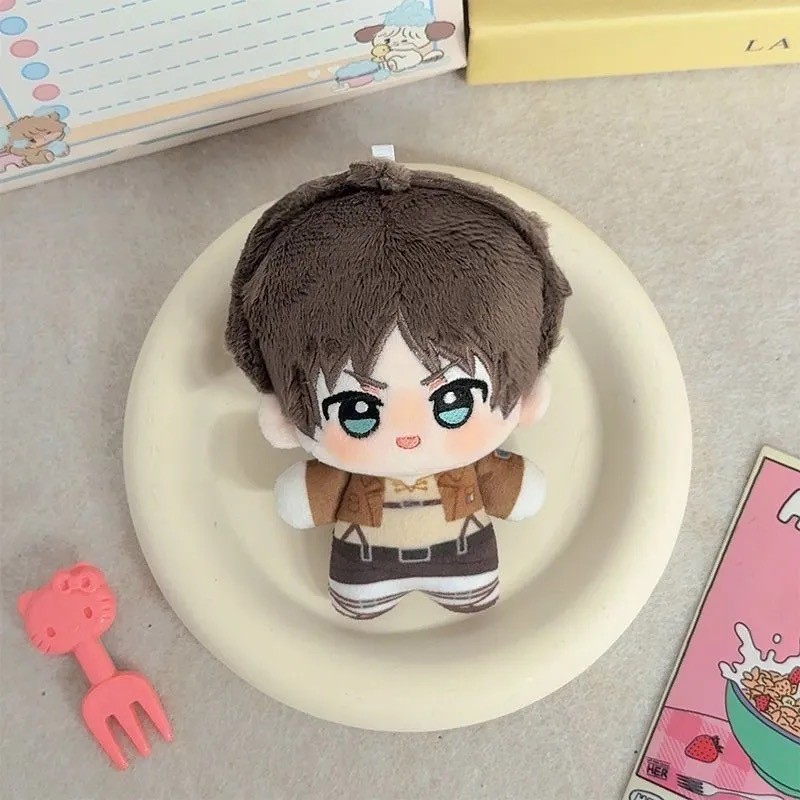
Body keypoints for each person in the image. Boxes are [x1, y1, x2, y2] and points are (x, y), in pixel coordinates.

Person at [226, 160, 571, 619]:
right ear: (283, 419)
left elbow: (516, 491)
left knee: (467, 589)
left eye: (453, 401)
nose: (408, 436)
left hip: (462, 557)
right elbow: (303, 501)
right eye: (358, 410)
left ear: (527, 399)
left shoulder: (473, 464)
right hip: (365, 564)